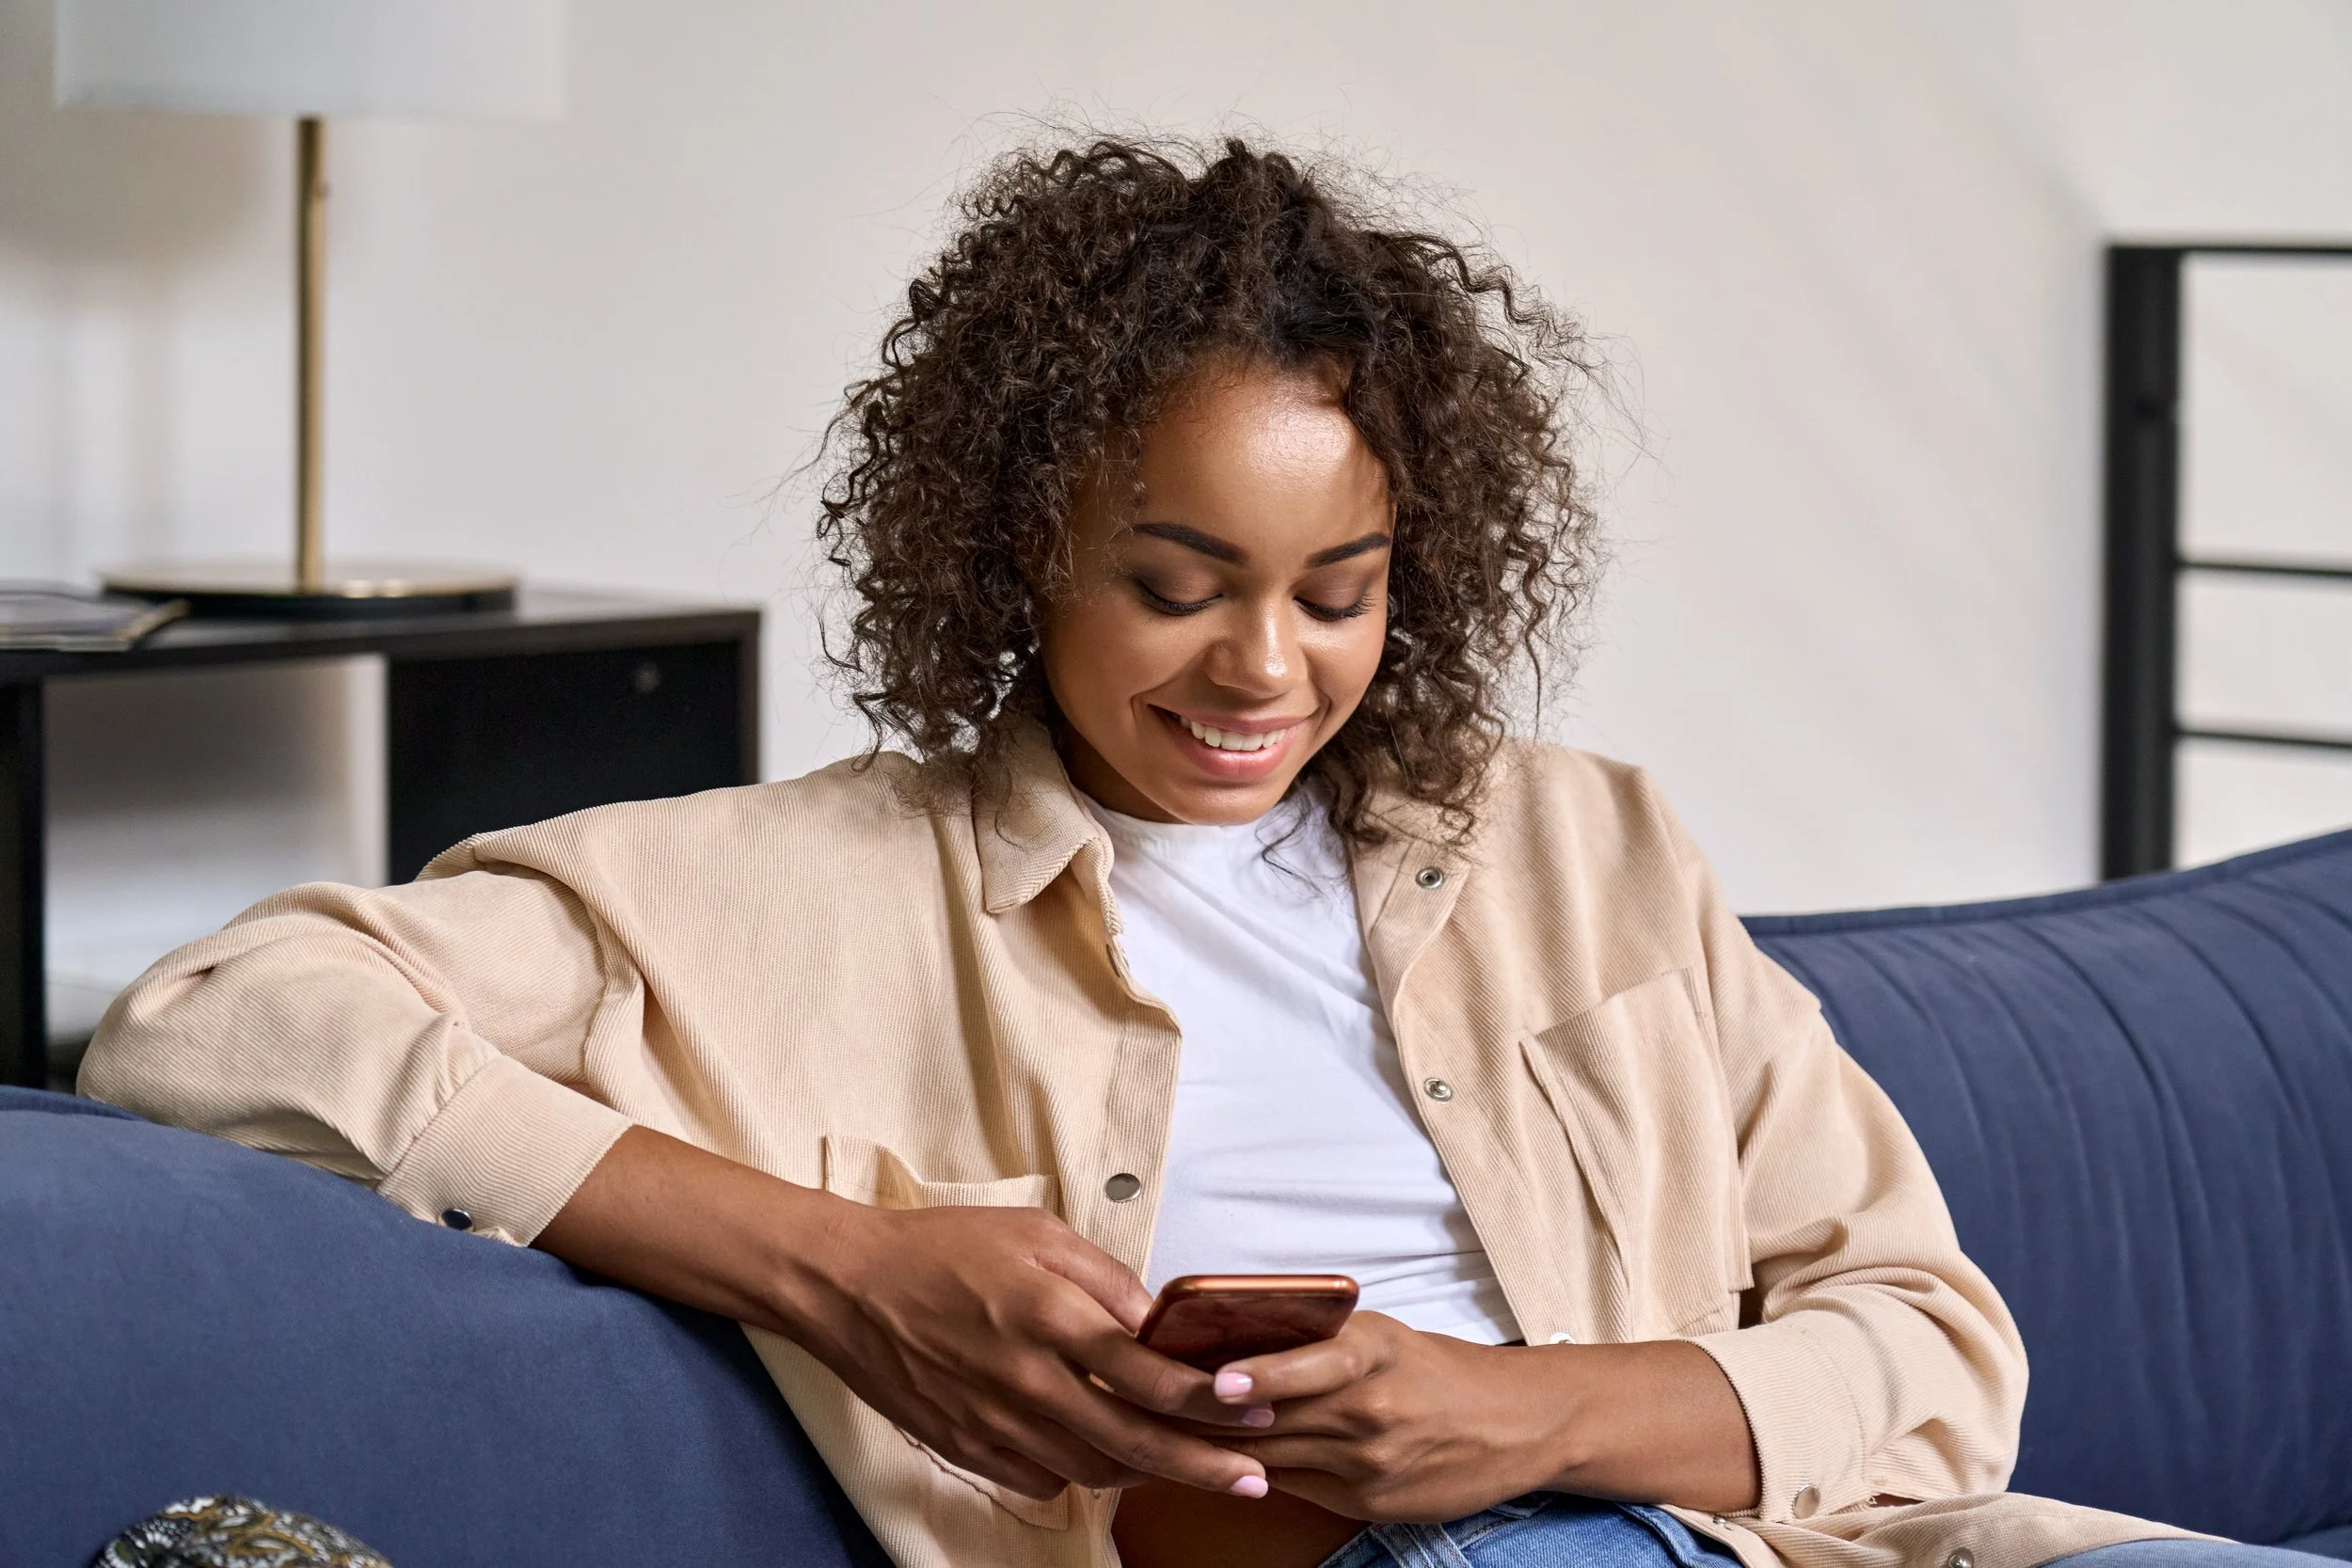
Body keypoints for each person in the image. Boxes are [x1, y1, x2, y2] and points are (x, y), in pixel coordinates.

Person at [79, 138, 2301, 1568]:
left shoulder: (1586, 851)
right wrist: (831, 1267)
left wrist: (1524, 1420)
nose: (1265, 665)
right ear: (1017, 548)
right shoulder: (804, 887)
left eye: (1339, 588)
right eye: (1175, 581)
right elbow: (209, 1026)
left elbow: (1927, 1337)